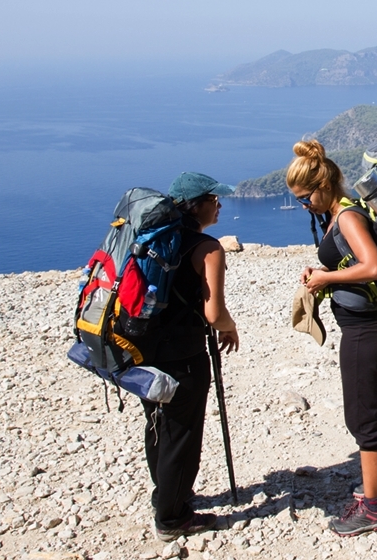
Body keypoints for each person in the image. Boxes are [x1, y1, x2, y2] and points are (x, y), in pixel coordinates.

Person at [286, 140, 377, 536]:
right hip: (374, 322)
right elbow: (354, 262)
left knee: (362, 415)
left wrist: (326, 278)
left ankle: (372, 509)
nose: (305, 206)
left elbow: (372, 267)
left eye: (305, 198)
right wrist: (325, 274)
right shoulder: (341, 214)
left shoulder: (347, 217)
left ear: (323, 185)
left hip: (364, 328)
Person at [144, 172, 239, 542]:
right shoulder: (208, 248)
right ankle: (173, 516)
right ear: (196, 205)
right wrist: (229, 328)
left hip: (146, 348)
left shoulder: (158, 241)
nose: (219, 205)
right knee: (182, 433)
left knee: (158, 424)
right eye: (214, 199)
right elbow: (214, 313)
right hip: (184, 354)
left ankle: (166, 493)